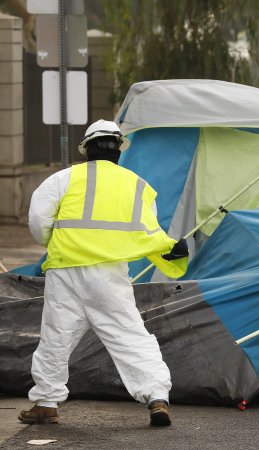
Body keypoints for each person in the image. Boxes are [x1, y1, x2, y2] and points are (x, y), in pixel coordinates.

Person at [19, 119, 189, 427]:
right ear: (118, 151)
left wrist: (54, 243)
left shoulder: (61, 180)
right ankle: (157, 398)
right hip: (110, 275)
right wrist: (171, 247)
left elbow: (38, 220)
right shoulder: (137, 185)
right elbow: (149, 231)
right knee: (129, 334)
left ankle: (46, 402)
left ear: (86, 150)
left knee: (56, 336)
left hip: (66, 270)